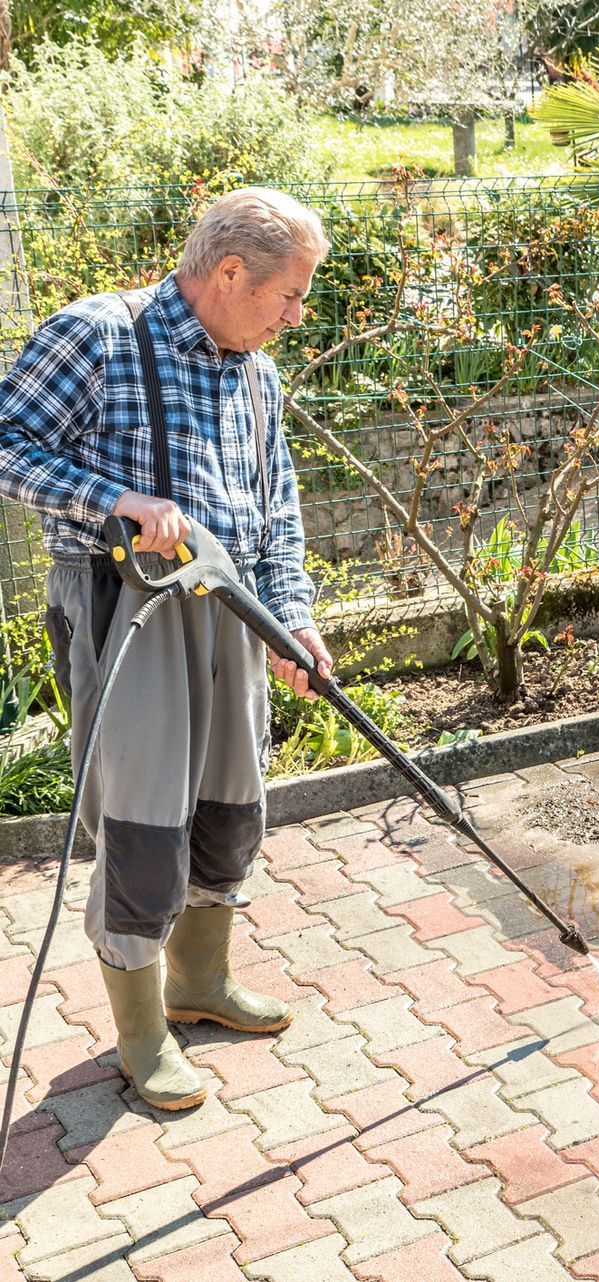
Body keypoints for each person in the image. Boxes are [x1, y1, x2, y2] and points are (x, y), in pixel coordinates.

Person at [0, 188, 335, 1110]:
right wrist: (116, 500)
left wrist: (292, 618)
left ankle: (199, 983)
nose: (296, 316)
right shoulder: (96, 337)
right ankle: (141, 1037)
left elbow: (278, 515)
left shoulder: (255, 374)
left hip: (230, 611)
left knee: (232, 807)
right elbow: (5, 441)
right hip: (128, 615)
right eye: (290, 296)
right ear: (231, 274)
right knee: (144, 830)